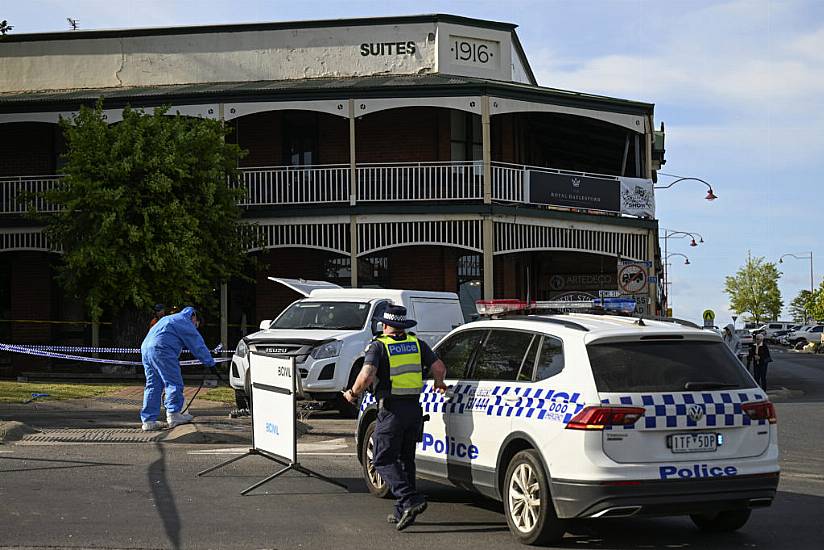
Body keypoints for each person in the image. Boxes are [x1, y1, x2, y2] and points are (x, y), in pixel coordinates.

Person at [344, 304, 447, 531]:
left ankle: (411, 499)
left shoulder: (379, 346)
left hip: (391, 411)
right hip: (414, 410)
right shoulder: (417, 344)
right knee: (404, 460)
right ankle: (403, 510)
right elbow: (439, 366)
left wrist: (352, 393)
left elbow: (367, 375)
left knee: (381, 459)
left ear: (385, 325)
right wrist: (439, 383)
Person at [140, 306, 216, 431]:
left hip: (146, 349)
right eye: (196, 325)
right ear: (194, 317)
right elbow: (197, 344)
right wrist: (209, 362)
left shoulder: (168, 319)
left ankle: (148, 421)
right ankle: (174, 414)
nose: (195, 328)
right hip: (162, 350)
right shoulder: (184, 321)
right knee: (173, 382)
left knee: (153, 385)